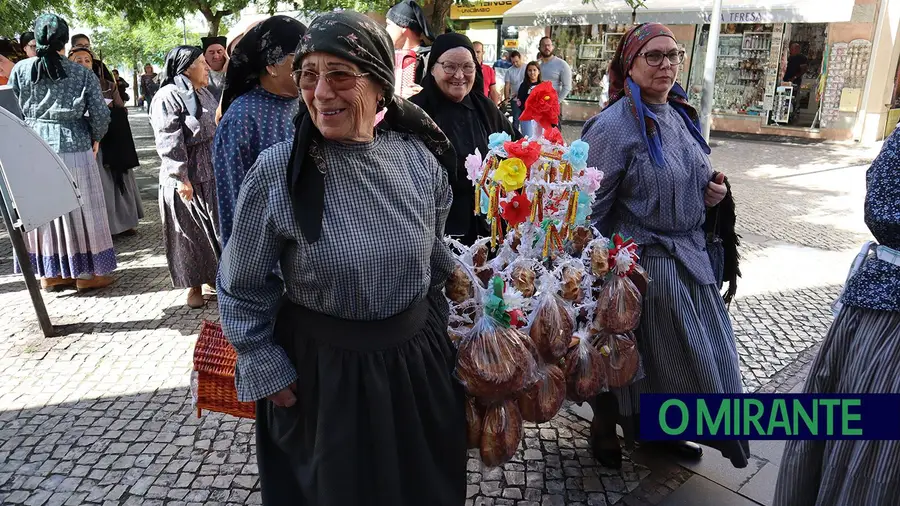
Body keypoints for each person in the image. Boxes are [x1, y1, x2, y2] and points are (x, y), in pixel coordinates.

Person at [218, 11, 465, 505]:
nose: (320, 92)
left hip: (416, 367)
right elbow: (241, 284)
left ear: (379, 86)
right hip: (325, 380)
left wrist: (471, 309)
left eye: (339, 75)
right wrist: (263, 362)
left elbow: (433, 246)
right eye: (308, 75)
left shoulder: (417, 157)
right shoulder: (277, 174)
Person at [581, 23, 748, 469]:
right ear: (629, 65)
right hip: (640, 262)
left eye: (672, 55)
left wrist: (708, 192)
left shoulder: (679, 115)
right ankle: (606, 425)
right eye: (653, 56)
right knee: (632, 357)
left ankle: (657, 431)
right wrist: (593, 276)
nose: (666, 65)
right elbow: (589, 206)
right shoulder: (613, 127)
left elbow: (688, 175)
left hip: (688, 255)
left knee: (690, 358)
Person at [772, 131, 900, 506]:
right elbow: (883, 204)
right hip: (887, 320)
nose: (666, 66)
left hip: (880, 312)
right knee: (870, 448)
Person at [9, 14, 116, 291]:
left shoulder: (22, 69)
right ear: (64, 40)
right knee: (82, 209)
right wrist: (96, 137)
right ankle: (86, 275)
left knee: (45, 211)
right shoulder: (81, 73)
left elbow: (18, 104)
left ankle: (51, 274)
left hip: (32, 145)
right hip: (74, 143)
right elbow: (101, 114)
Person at [410, 33, 519, 246]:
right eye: (449, 67)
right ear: (433, 68)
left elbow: (515, 146)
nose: (459, 75)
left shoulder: (485, 107)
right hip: (434, 232)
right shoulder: (413, 112)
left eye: (468, 67)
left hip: (487, 226)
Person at [214, 15, 307, 247]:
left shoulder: (304, 103)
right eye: (300, 59)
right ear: (272, 66)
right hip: (267, 256)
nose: (309, 68)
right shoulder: (241, 118)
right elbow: (235, 202)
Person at [149, 46, 220, 309]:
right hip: (186, 177)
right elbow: (168, 138)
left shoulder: (204, 92)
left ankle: (215, 276)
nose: (207, 67)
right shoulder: (168, 96)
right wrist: (181, 177)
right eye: (202, 62)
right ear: (186, 67)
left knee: (215, 230)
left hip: (210, 171)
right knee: (190, 235)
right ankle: (193, 285)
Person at [69, 47, 144, 237]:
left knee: (118, 181)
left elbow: (121, 109)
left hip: (111, 139)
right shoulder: (66, 86)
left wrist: (107, 111)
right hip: (86, 142)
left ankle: (125, 223)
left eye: (87, 60)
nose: (84, 64)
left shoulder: (107, 84)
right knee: (98, 185)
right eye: (79, 60)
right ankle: (100, 229)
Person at [386, 0, 434, 98]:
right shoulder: (387, 55)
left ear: (403, 27)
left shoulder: (431, 58)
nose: (386, 30)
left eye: (389, 25)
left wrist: (423, 95)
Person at [537, 37, 572, 102]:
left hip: (552, 106)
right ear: (539, 48)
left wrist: (556, 102)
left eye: (549, 45)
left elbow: (567, 87)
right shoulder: (537, 65)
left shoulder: (562, 65)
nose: (547, 47)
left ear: (552, 47)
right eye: (544, 45)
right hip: (537, 105)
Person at [517, 61, 542, 138]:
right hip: (526, 117)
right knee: (528, 140)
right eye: (530, 70)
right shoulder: (523, 85)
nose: (532, 72)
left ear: (539, 71)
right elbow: (520, 101)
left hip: (540, 118)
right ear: (526, 72)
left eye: (534, 70)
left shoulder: (543, 85)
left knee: (540, 141)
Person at [503, 50, 525, 130]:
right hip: (515, 99)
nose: (515, 64)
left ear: (520, 58)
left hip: (526, 99)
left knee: (526, 120)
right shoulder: (509, 71)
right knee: (516, 119)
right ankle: (515, 138)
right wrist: (507, 98)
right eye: (513, 62)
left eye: (517, 61)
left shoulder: (526, 68)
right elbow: (507, 85)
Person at [201, 36, 227, 101]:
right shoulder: (200, 75)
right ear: (204, 56)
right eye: (211, 52)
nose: (216, 56)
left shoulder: (234, 72)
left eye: (219, 52)